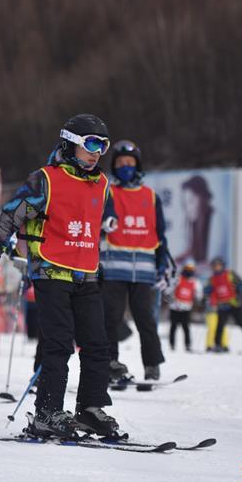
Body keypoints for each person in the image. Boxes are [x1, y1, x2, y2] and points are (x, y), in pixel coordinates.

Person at [0, 113, 120, 439]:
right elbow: (11, 215)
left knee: (98, 345)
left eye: (103, 146)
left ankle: (91, 409)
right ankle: (48, 411)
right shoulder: (45, 180)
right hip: (51, 273)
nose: (97, 152)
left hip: (87, 275)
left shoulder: (102, 184)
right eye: (91, 144)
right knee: (58, 344)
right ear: (71, 143)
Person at [101, 139, 169, 381]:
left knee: (145, 320)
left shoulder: (150, 197)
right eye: (121, 163)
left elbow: (160, 235)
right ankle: (110, 364)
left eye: (130, 163)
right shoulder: (107, 192)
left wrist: (163, 265)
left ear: (138, 166)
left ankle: (152, 364)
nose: (126, 167)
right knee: (111, 319)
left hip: (144, 270)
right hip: (113, 269)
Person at [205, 257, 242, 353]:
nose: (217, 268)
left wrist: (240, 290)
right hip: (222, 305)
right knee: (220, 326)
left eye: (219, 265)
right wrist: (208, 291)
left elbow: (241, 285)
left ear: (222, 266)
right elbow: (206, 290)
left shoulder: (230, 275)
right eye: (215, 266)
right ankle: (218, 345)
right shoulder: (212, 279)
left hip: (234, 304)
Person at [167, 261, 202, 351]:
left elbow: (198, 295)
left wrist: (198, 301)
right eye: (187, 269)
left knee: (186, 328)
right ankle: (172, 345)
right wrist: (170, 297)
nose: (189, 271)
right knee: (173, 327)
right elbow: (170, 290)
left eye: (191, 270)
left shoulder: (195, 282)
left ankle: (188, 345)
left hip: (186, 308)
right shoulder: (178, 279)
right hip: (175, 307)